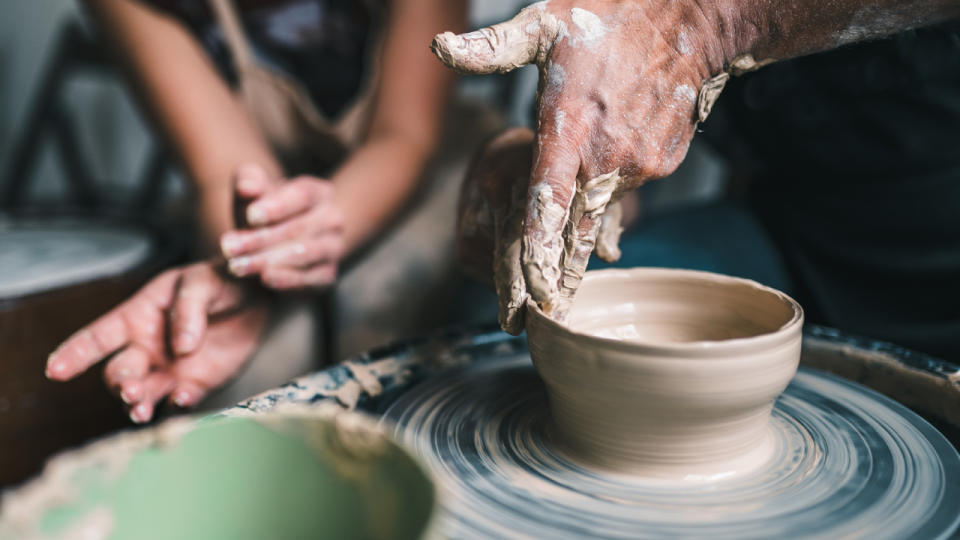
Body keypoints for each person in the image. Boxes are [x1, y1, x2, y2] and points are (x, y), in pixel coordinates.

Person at [439, 0, 960, 359]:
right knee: (514, 313)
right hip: (790, 219)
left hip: (937, 245)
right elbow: (608, 43)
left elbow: (679, 27)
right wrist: (560, 157)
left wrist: (710, 20)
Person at [44, 0, 466, 423]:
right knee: (253, 366)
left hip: (416, 157)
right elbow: (224, 171)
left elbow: (404, 137)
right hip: (269, 188)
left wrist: (320, 233)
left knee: (375, 315)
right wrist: (245, 267)